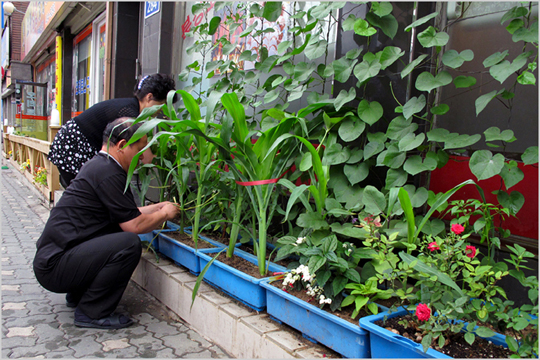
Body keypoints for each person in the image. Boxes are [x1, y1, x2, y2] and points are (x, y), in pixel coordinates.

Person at [33, 117, 180, 329]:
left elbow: (126, 213)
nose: (142, 157)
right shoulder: (109, 173)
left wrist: (157, 208)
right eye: (139, 149)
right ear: (121, 146)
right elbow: (134, 226)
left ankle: (79, 294)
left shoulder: (102, 166)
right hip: (55, 267)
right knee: (128, 244)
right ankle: (92, 312)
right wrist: (165, 214)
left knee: (114, 230)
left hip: (55, 260)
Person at [48, 73, 177, 188]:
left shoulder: (129, 107)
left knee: (87, 193)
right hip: (74, 147)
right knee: (85, 194)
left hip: (72, 143)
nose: (162, 110)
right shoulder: (129, 115)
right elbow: (147, 158)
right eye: (163, 104)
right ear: (149, 97)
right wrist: (173, 162)